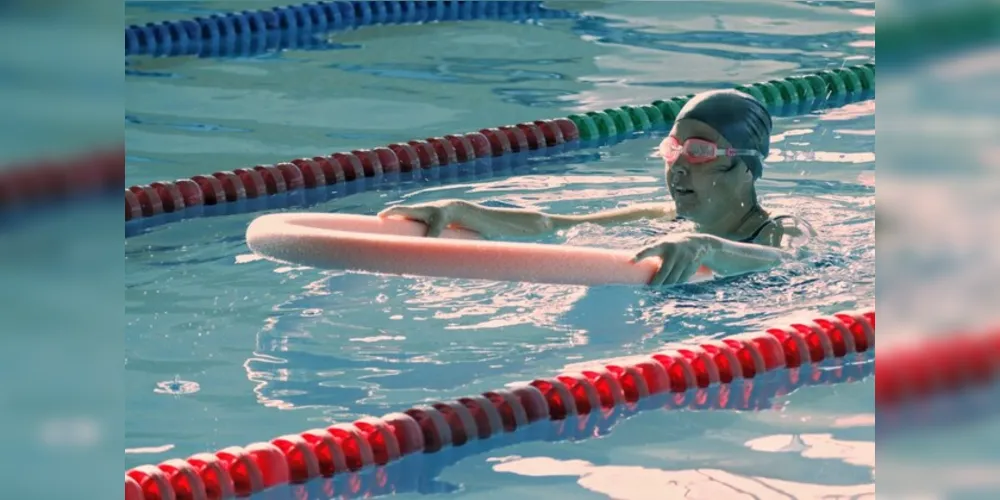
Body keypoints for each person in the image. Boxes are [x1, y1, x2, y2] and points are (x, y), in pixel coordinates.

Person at [378, 89, 813, 286]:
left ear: (747, 167)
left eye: (698, 150)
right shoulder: (662, 220)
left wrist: (708, 248)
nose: (677, 167)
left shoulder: (781, 230)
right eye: (672, 148)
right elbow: (556, 223)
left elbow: (791, 261)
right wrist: (462, 211)